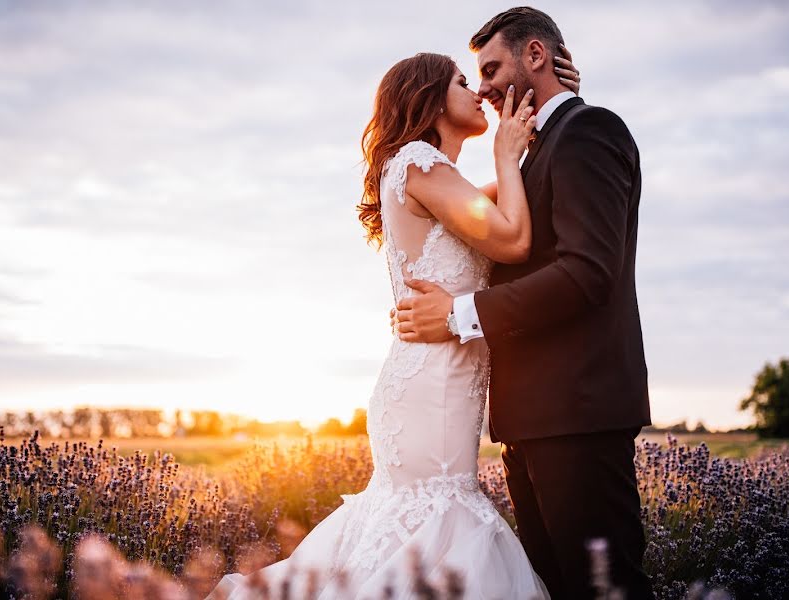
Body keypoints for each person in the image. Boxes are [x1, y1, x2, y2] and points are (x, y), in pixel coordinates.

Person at [206, 47, 581, 598]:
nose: (477, 91)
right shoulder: (417, 163)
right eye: (461, 81)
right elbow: (514, 237)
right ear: (429, 99)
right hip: (429, 385)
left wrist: (550, 105)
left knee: (424, 532)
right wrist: (505, 151)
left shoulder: (441, 179)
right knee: (441, 519)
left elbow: (518, 189)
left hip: (435, 377)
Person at [393, 7, 654, 600]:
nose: (481, 88)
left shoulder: (590, 132)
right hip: (531, 419)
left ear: (535, 56)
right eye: (472, 78)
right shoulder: (538, 149)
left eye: (490, 69)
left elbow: (588, 273)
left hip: (578, 413)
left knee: (605, 589)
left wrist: (460, 314)